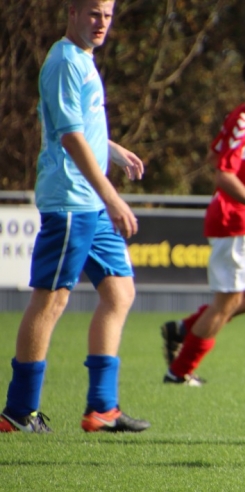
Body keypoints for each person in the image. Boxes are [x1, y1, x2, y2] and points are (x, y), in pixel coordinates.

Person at [0, 0, 149, 433]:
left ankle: (102, 409)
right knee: (50, 300)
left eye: (108, 14)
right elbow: (68, 136)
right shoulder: (65, 60)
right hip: (71, 200)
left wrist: (112, 150)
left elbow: (81, 127)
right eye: (94, 13)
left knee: (119, 293)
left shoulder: (82, 58)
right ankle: (18, 411)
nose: (102, 23)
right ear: (72, 12)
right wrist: (113, 197)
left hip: (91, 204)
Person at [160, 55, 245, 386]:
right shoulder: (244, 122)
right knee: (227, 302)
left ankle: (183, 329)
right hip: (233, 223)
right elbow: (222, 174)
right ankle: (179, 372)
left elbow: (214, 155)